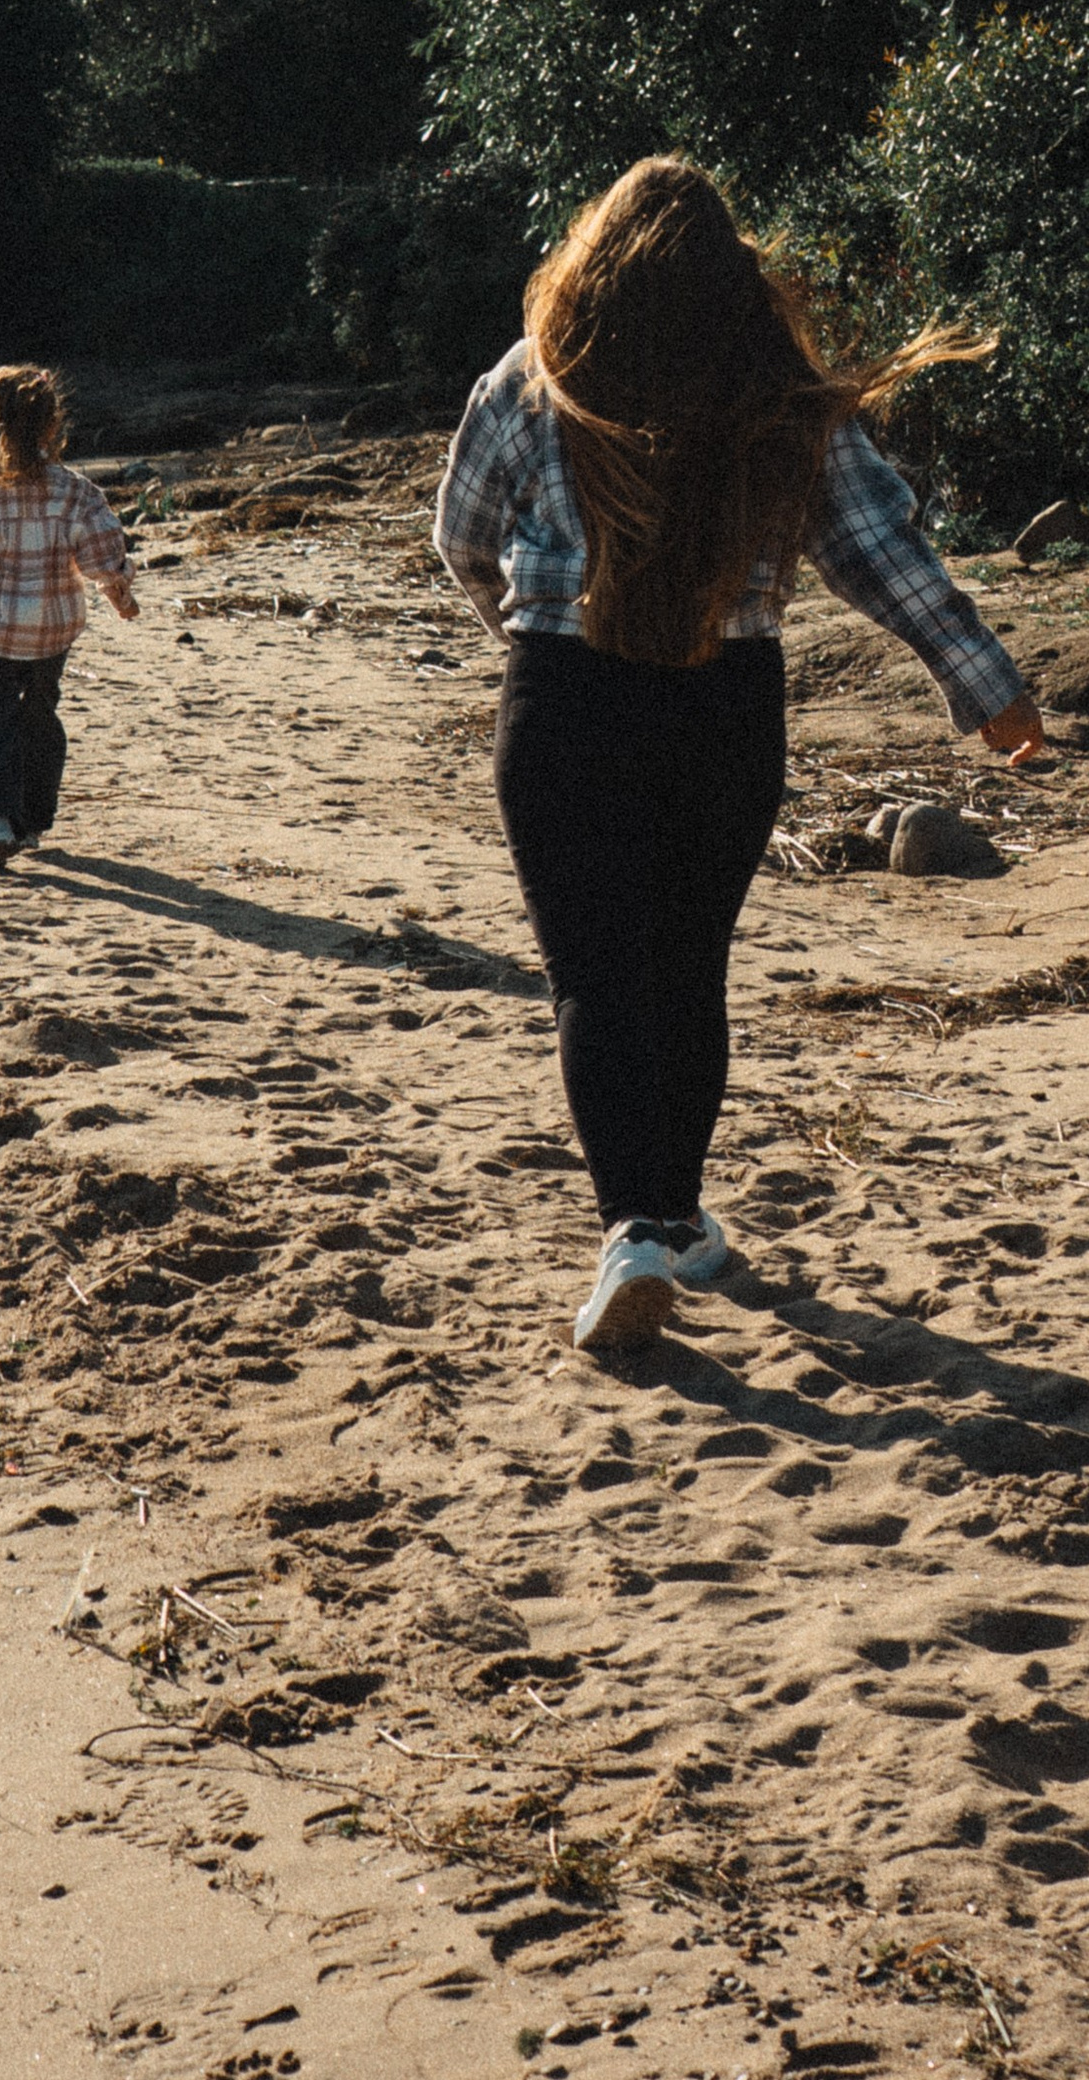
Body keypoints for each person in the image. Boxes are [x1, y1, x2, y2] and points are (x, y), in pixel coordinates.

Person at [434, 157, 1044, 1351]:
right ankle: (669, 1216)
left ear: (590, 264)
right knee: (686, 968)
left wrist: (528, 631)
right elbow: (881, 555)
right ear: (734, 277)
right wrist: (987, 689)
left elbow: (461, 538)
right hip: (724, 711)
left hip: (563, 702)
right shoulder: (778, 390)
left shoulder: (532, 379)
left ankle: (633, 1233)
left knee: (594, 980)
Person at [0, 365, 138, 871]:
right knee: (39, 716)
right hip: (51, 632)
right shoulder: (75, 492)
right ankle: (33, 820)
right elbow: (104, 556)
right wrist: (121, 596)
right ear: (51, 428)